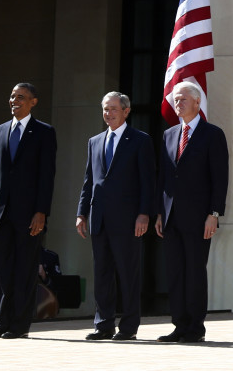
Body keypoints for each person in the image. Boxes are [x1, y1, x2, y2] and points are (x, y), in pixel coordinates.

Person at [0, 82, 57, 339]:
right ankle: (2, 322)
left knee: (24, 270)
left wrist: (41, 212)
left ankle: (20, 325)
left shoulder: (44, 132)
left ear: (33, 102)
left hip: (29, 216)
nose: (14, 100)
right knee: (2, 270)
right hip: (0, 214)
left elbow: (47, 176)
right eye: (12, 96)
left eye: (21, 97)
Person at [77, 91, 156, 341]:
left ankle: (129, 327)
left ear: (126, 111)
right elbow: (89, 182)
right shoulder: (95, 141)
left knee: (127, 274)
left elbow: (148, 182)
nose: (108, 113)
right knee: (102, 274)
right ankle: (104, 325)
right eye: (105, 109)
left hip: (129, 220)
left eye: (113, 109)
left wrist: (144, 214)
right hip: (99, 218)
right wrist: (82, 213)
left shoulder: (140, 140)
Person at [155, 80, 229, 342]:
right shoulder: (169, 134)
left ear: (198, 102)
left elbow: (220, 179)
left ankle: (195, 327)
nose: (178, 103)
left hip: (199, 218)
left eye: (183, 99)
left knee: (194, 272)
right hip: (171, 216)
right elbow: (164, 178)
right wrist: (159, 213)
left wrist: (214, 214)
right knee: (175, 272)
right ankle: (179, 325)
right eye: (176, 99)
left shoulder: (213, 134)